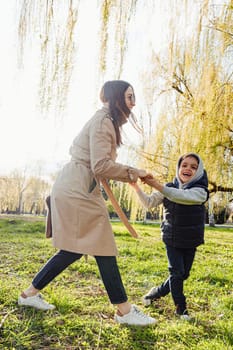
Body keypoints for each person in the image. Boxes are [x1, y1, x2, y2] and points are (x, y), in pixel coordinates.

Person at [18, 80, 156, 326]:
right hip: (77, 188)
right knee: (103, 244)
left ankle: (29, 294)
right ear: (116, 98)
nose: (133, 102)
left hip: (76, 185)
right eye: (129, 96)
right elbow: (101, 165)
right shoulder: (104, 122)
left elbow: (99, 165)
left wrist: (131, 175)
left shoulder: (106, 121)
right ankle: (124, 311)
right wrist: (135, 172)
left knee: (74, 249)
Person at [131, 153, 209, 320]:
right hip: (171, 237)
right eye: (184, 165)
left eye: (193, 167)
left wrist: (158, 186)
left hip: (190, 239)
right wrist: (137, 187)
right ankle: (181, 308)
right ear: (178, 168)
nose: (188, 169)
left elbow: (180, 196)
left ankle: (155, 294)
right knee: (176, 272)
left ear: (199, 171)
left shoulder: (200, 191)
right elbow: (149, 203)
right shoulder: (168, 187)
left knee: (183, 274)